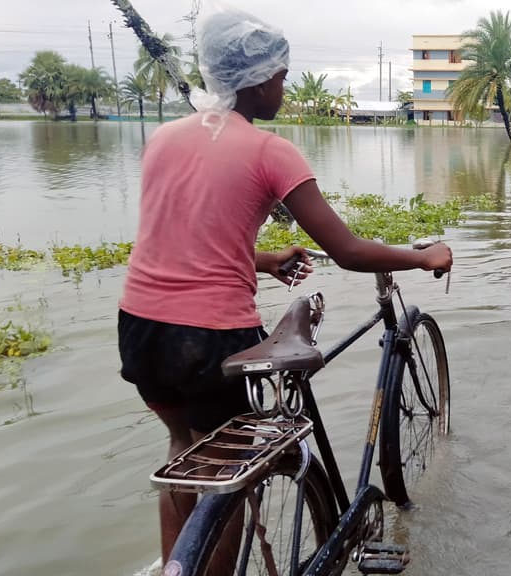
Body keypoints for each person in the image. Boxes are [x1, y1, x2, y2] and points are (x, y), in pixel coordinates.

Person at [116, 4, 452, 565]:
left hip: (141, 330)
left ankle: (179, 564)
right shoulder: (272, 150)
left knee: (187, 451)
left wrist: (265, 258)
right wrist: (423, 258)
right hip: (210, 338)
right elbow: (346, 251)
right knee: (228, 480)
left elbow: (184, 245)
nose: (284, 82)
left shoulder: (163, 139)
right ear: (257, 81)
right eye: (280, 73)